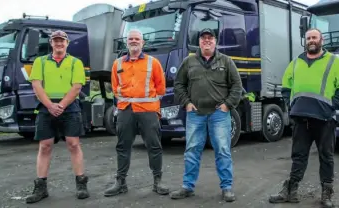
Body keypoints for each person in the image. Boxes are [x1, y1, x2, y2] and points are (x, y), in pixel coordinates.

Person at [268, 28, 339, 208]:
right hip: (301, 119)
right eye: (308, 38)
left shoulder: (333, 62)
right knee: (298, 156)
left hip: (325, 119)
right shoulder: (296, 62)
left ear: (321, 40)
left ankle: (326, 194)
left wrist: (332, 107)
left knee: (326, 157)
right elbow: (286, 85)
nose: (311, 40)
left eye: (314, 37)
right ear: (305, 41)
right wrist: (291, 105)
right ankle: (290, 191)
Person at [170, 28, 243, 202]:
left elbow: (237, 86)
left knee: (223, 150)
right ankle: (187, 187)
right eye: (204, 38)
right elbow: (179, 84)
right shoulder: (189, 61)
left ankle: (226, 188)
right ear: (199, 42)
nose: (207, 41)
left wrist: (227, 105)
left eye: (210, 38)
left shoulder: (226, 61)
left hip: (219, 114)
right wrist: (186, 103)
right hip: (196, 114)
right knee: (192, 150)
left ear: (215, 41)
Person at [103, 29, 169, 197]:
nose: (133, 41)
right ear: (127, 42)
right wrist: (125, 102)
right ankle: (121, 182)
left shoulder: (152, 63)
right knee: (123, 146)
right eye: (131, 39)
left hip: (148, 112)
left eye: (137, 39)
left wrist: (151, 104)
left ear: (142, 43)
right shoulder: (117, 64)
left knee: (154, 146)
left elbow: (161, 88)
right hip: (125, 111)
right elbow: (115, 87)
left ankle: (157, 181)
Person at [25, 30, 89, 203]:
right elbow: (36, 85)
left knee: (73, 144)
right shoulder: (41, 62)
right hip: (47, 106)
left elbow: (77, 87)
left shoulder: (76, 62)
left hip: (69, 106)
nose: (59, 43)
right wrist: (50, 105)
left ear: (67, 43)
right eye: (56, 41)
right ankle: (41, 188)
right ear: (51, 43)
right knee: (45, 146)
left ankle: (81, 184)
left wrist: (61, 105)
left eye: (62, 41)